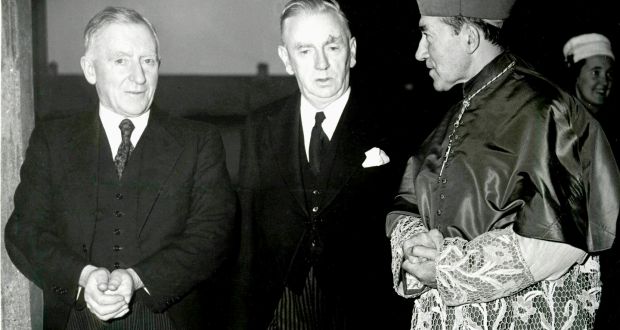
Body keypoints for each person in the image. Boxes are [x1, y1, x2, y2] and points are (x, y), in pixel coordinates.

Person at [386, 0, 620, 329]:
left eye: (428, 35)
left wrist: (447, 269)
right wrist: (415, 250)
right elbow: (409, 207)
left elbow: (557, 243)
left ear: (468, 37)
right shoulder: (453, 114)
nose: (420, 52)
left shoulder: (550, 112)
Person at [4, 7, 236, 329]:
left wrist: (138, 278)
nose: (139, 77)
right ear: (90, 69)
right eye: (121, 60)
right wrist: (82, 278)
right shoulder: (53, 140)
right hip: (76, 317)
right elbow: (24, 231)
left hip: (165, 318)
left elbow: (213, 234)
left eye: (148, 61)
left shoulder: (198, 142)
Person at [233, 0, 409, 328]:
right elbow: (247, 235)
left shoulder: (394, 124)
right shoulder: (261, 125)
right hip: (281, 302)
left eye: (332, 46)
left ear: (352, 51)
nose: (322, 64)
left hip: (363, 306)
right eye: (304, 51)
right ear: (286, 59)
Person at [563, 32, 620, 328]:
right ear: (576, 73)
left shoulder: (611, 126)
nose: (603, 81)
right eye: (595, 72)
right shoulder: (562, 122)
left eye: (609, 74)